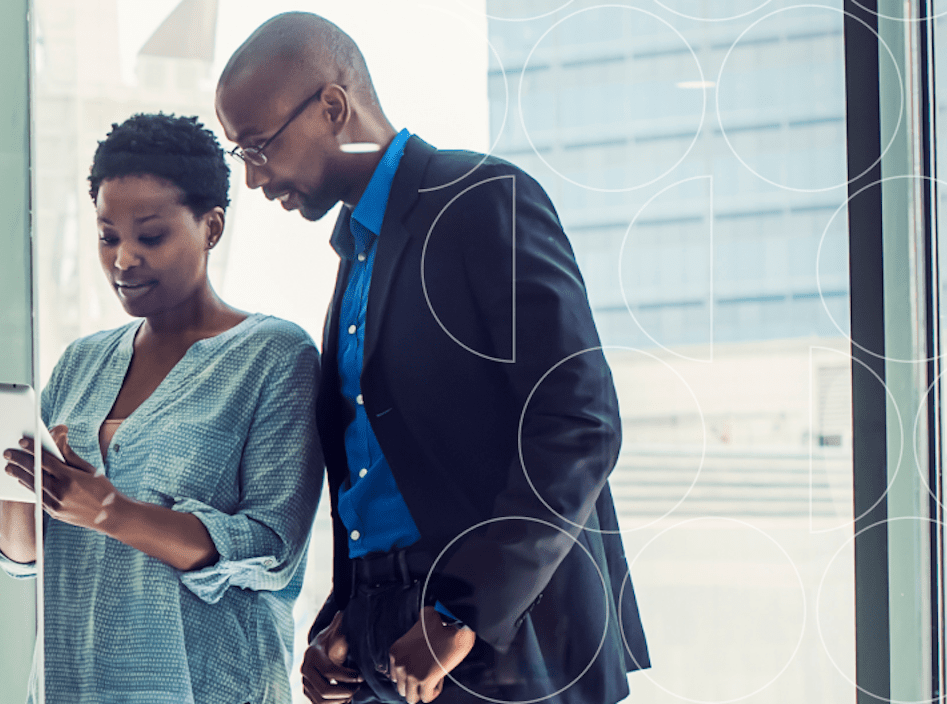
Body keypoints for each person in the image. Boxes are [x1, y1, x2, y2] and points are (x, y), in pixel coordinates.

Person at [212, 13, 649, 704]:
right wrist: (342, 616)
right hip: (388, 643)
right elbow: (378, 470)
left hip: (501, 641)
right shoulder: (358, 253)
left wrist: (460, 611)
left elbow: (580, 422)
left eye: (259, 146)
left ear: (332, 107)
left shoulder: (481, 200)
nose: (254, 177)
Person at [0, 112, 324, 704]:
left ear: (211, 227)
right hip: (75, 685)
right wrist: (26, 483)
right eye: (107, 235)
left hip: (210, 687)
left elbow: (270, 549)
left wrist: (110, 511)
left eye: (150, 236)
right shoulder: (79, 364)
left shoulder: (275, 355)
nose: (122, 259)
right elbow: (18, 556)